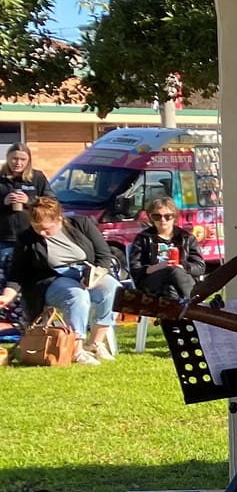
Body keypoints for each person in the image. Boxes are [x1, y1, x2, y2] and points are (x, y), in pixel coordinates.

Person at [0, 196, 122, 364]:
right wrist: (7, 295)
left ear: (59, 219)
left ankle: (95, 343)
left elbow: (104, 256)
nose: (42, 233)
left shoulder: (82, 224)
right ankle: (76, 350)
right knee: (77, 295)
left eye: (46, 229)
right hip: (51, 279)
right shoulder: (27, 238)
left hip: (87, 272)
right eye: (37, 228)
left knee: (113, 289)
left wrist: (95, 276)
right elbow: (18, 273)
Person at [127, 197, 207, 301]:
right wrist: (159, 267)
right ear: (151, 218)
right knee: (171, 270)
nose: (162, 220)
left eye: (167, 216)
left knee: (171, 287)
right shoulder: (143, 239)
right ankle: (195, 304)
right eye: (157, 216)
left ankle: (177, 313)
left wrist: (182, 266)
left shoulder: (186, 238)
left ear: (174, 217)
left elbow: (200, 267)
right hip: (152, 282)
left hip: (181, 280)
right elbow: (135, 269)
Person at [1, 144, 50, 252]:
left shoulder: (37, 177)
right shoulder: (1, 178)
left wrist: (29, 201)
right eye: (14, 159)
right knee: (8, 267)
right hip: (5, 238)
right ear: (7, 158)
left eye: (23, 159)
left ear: (29, 161)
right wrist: (3, 202)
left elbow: (51, 202)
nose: (18, 163)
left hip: (32, 235)